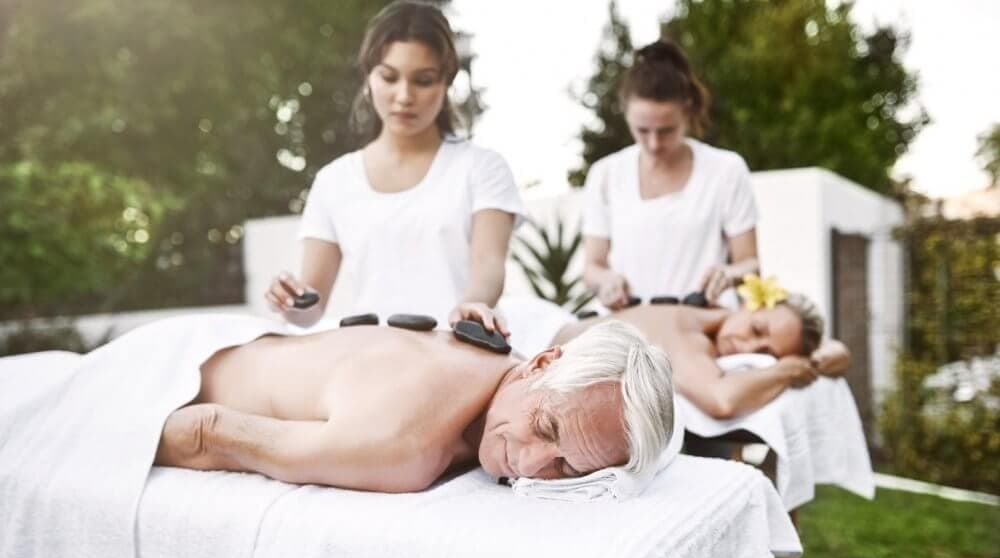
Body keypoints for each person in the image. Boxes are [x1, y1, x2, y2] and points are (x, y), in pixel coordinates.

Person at [156, 320, 674, 493]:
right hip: (167, 373)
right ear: (540, 364)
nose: (533, 466)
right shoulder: (403, 446)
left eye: (567, 468)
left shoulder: (501, 357)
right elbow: (206, 431)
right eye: (546, 427)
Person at [267, 1, 523, 335]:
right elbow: (311, 310)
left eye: (424, 80)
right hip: (371, 357)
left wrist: (473, 306)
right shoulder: (334, 181)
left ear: (446, 83)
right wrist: (290, 301)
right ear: (368, 76)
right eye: (389, 77)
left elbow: (488, 266)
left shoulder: (482, 168)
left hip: (459, 352)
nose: (404, 96)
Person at [581, 39, 759, 310]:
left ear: (687, 112)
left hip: (705, 326)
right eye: (642, 130)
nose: (654, 144)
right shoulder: (605, 175)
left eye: (666, 130)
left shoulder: (726, 170)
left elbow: (750, 264)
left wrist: (729, 274)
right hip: (630, 329)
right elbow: (593, 266)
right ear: (626, 113)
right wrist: (606, 281)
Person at [549, 294, 850, 419]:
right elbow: (722, 400)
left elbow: (838, 353)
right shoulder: (684, 331)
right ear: (748, 304)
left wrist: (819, 358)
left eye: (764, 354)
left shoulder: (713, 324)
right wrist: (786, 370)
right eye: (757, 329)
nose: (747, 347)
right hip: (538, 337)